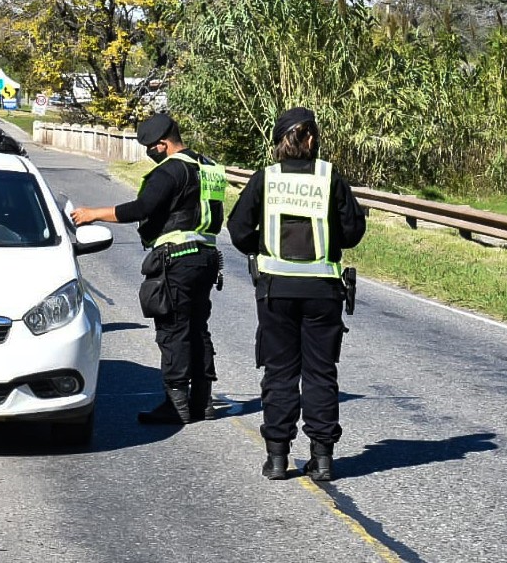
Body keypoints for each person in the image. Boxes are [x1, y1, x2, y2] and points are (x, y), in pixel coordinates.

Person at [226, 107, 366, 482]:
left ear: (279, 142)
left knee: (280, 373)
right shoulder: (329, 177)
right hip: (323, 291)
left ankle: (276, 458)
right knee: (320, 373)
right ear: (310, 138)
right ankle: (322, 459)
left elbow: (238, 229)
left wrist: (263, 247)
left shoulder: (265, 179)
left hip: (276, 292)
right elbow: (353, 232)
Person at [71, 113, 226, 424]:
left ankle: (176, 403)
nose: (149, 153)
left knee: (173, 330)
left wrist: (94, 214)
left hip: (177, 258)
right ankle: (203, 401)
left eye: (150, 147)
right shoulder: (209, 167)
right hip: (207, 255)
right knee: (197, 328)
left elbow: (142, 208)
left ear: (163, 144)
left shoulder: (171, 171)